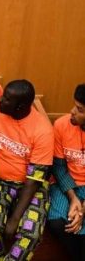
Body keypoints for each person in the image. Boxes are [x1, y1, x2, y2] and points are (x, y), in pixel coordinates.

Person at [0, 80, 53, 261]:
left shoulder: (43, 130)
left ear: (20, 107)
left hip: (31, 187)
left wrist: (14, 219)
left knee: (31, 235)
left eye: (7, 99)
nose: (0, 100)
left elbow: (34, 180)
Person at [47, 84, 85, 260]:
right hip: (67, 183)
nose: (72, 112)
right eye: (74, 105)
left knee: (81, 225)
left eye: (79, 109)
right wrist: (74, 198)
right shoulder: (62, 124)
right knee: (57, 222)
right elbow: (59, 166)